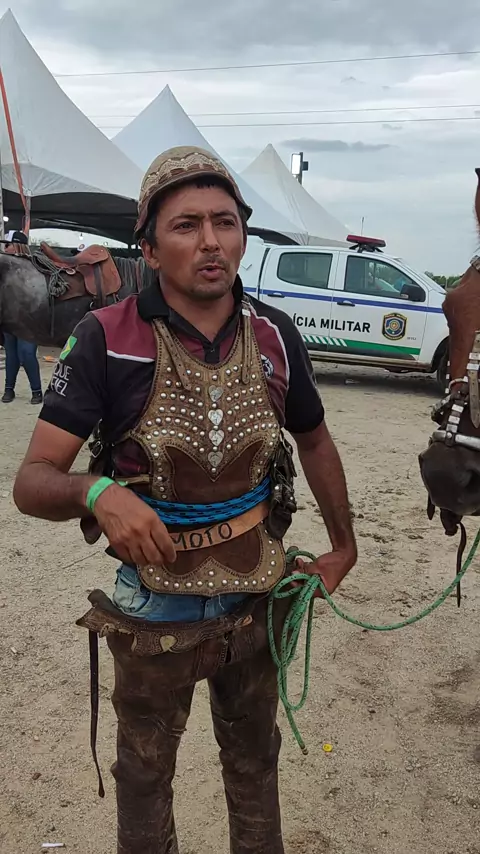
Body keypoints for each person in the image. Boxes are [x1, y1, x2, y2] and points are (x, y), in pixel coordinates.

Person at [13, 146, 357, 854]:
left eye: (226, 222)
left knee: (255, 763)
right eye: (186, 225)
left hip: (258, 588)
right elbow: (33, 480)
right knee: (144, 777)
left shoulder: (275, 335)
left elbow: (316, 440)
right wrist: (97, 492)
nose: (211, 242)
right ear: (148, 247)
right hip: (153, 602)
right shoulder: (106, 338)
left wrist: (343, 546)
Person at [2, 231, 43, 404]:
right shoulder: (4, 268)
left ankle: (37, 391)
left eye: (7, 245)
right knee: (11, 354)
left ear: (18, 245)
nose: (5, 248)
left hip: (28, 319)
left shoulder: (33, 267)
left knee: (26, 353)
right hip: (9, 318)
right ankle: (9, 389)